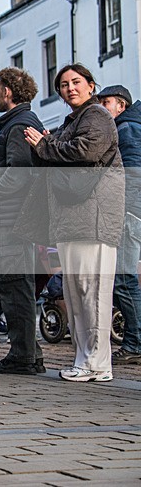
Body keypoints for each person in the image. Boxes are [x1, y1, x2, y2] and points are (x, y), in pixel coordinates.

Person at [24, 63, 124, 383]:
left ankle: (97, 363)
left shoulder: (97, 117)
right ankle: (85, 359)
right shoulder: (74, 121)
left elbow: (86, 151)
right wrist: (46, 146)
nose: (70, 88)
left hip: (92, 217)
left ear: (91, 86)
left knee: (92, 291)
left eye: (76, 82)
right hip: (72, 219)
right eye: (64, 85)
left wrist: (44, 144)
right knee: (77, 293)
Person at [0, 67, 46, 375]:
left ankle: (22, 357)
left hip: (13, 218)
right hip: (13, 217)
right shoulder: (17, 124)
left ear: (8, 91)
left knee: (14, 285)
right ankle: (31, 354)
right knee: (16, 285)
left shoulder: (18, 126)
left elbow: (19, 174)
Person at [97, 85, 141, 365]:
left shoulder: (126, 130)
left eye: (106, 101)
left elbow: (132, 175)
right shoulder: (128, 127)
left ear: (121, 106)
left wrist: (126, 210)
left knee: (124, 280)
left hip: (129, 213)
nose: (102, 106)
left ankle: (135, 343)